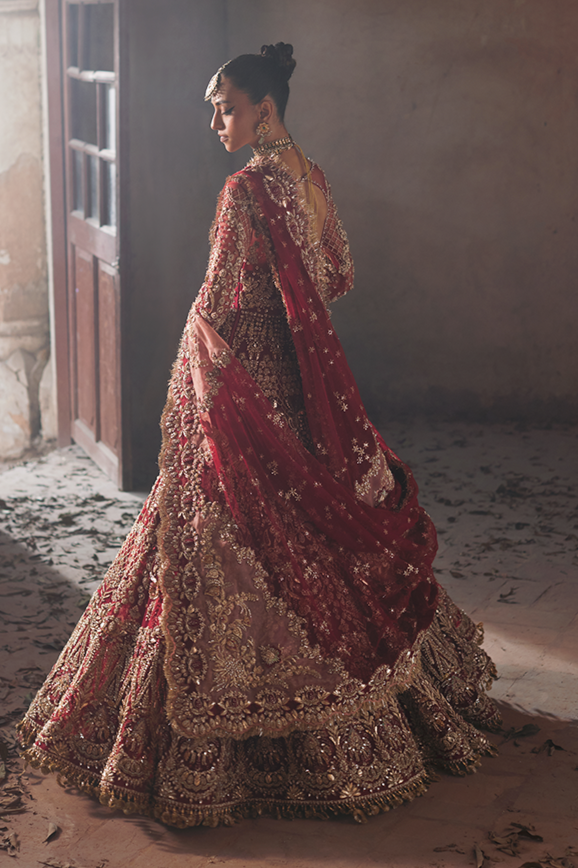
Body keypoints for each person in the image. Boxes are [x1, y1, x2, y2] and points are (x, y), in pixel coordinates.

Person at [19, 43, 500, 827]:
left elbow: (214, 308)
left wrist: (189, 393)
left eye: (226, 106)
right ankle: (371, 723)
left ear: (264, 108)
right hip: (306, 401)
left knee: (217, 545)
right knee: (316, 547)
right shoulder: (311, 179)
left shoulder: (245, 190)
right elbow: (336, 276)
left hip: (247, 398)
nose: (216, 119)